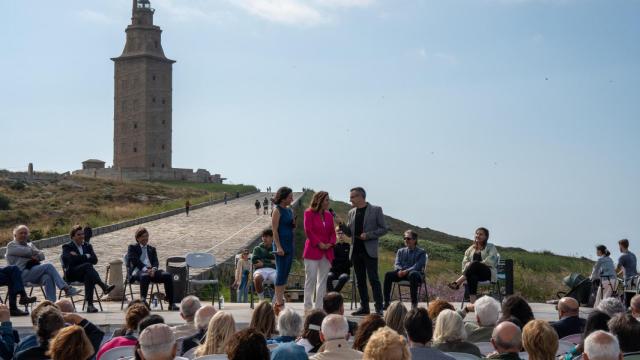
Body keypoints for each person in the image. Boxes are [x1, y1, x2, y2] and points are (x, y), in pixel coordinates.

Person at [337, 187, 388, 316]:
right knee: (360, 281)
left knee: (373, 279)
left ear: (361, 197)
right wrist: (341, 225)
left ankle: (378, 308)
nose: (350, 199)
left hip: (369, 251)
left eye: (352, 197)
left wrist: (369, 235)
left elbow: (384, 229)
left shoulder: (376, 210)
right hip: (355, 251)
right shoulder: (351, 212)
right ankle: (364, 307)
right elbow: (349, 233)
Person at [6, 224, 80, 302]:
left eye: (25, 233)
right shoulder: (11, 245)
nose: (24, 235)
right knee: (48, 266)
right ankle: (66, 288)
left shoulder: (29, 245)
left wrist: (36, 256)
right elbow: (27, 252)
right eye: (21, 233)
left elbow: (42, 255)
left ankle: (51, 303)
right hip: (20, 275)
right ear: (15, 235)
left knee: (47, 277)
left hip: (32, 272)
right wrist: (33, 253)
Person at [62, 224, 115, 313]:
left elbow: (95, 260)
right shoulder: (67, 247)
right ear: (72, 236)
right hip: (72, 274)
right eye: (78, 235)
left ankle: (89, 305)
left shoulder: (87, 246)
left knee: (89, 276)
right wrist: (86, 256)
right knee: (87, 266)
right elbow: (71, 261)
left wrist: (79, 257)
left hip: (84, 274)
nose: (81, 236)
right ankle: (103, 286)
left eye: (82, 234)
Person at [15, 307, 104, 360]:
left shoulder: (23, 356)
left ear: (38, 329)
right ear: (63, 329)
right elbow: (97, 333)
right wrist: (77, 318)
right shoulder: (78, 355)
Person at [126, 227, 179, 311]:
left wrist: (153, 269)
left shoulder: (152, 249)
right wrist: (146, 270)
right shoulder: (132, 247)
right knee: (145, 276)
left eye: (147, 236)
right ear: (138, 238)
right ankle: (143, 301)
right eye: (143, 236)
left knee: (167, 275)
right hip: (138, 271)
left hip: (152, 271)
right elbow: (135, 261)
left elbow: (155, 262)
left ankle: (171, 303)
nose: (145, 238)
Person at [303, 191, 337, 312]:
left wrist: (330, 243)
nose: (328, 202)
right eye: (327, 200)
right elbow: (308, 230)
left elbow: (333, 232)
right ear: (320, 200)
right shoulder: (309, 213)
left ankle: (319, 309)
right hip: (312, 251)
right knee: (310, 280)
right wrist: (319, 243)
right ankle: (308, 308)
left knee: (322, 281)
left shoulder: (329, 215)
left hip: (327, 252)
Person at [448, 227, 499, 304]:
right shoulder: (470, 249)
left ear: (486, 237)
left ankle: (457, 282)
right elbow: (464, 261)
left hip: (487, 273)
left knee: (475, 263)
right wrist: (469, 264)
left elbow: (492, 259)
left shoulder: (491, 247)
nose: (478, 236)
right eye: (477, 234)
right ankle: (473, 304)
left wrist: (477, 264)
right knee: (472, 277)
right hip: (474, 274)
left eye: (481, 234)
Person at [383, 230, 426, 310]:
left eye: (408, 238)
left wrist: (407, 271)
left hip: (414, 274)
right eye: (405, 238)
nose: (406, 240)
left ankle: (414, 305)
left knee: (413, 274)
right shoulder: (400, 251)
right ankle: (386, 303)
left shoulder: (421, 252)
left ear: (414, 240)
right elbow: (397, 263)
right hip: (401, 273)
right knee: (388, 275)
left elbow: (418, 266)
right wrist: (399, 270)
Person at [272, 186, 296, 313]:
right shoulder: (277, 210)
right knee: (280, 273)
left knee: (285, 274)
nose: (292, 199)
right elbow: (274, 230)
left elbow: (290, 227)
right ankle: (278, 303)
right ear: (283, 198)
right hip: (280, 245)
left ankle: (279, 300)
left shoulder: (289, 210)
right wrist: (278, 246)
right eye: (290, 197)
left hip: (289, 244)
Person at [253, 229, 277, 300]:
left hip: (273, 270)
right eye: (263, 236)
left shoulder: (276, 248)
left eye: (266, 236)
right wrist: (271, 262)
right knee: (257, 278)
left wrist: (263, 262)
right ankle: (261, 300)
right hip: (260, 270)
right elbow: (255, 261)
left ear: (272, 237)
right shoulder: (257, 249)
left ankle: (275, 300)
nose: (264, 238)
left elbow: (278, 262)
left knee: (280, 279)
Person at [616, 239, 637, 307]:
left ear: (621, 246)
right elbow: (626, 268)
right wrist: (618, 274)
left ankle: (627, 316)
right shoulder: (633, 255)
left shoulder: (622, 257)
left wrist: (612, 274)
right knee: (632, 299)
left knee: (627, 301)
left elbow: (617, 268)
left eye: (619, 246)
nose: (619, 248)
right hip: (635, 280)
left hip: (628, 280)